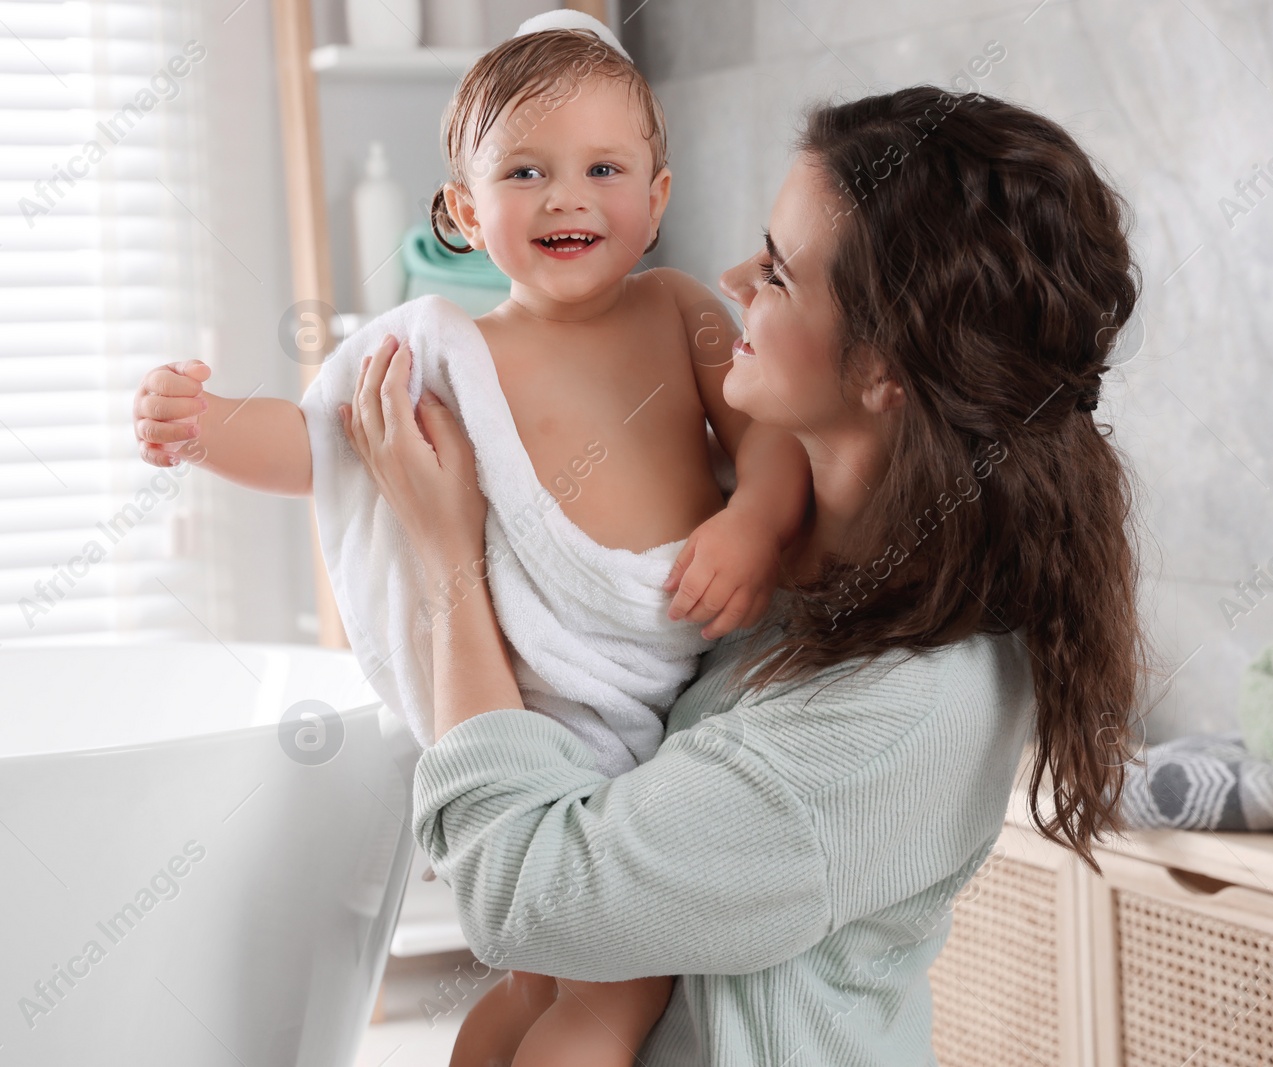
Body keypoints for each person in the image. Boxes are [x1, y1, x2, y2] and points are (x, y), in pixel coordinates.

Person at [339, 86, 1146, 1066]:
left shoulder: (904, 708)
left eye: (777, 272)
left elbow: (524, 896)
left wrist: (447, 562)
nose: (730, 280)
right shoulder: (766, 528)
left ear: (882, 368)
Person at [133, 15, 810, 1066]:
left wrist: (752, 520)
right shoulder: (444, 349)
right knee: (597, 994)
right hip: (528, 707)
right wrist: (206, 426)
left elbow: (766, 433)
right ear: (463, 210)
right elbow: (323, 442)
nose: (567, 196)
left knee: (559, 979)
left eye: (603, 167)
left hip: (646, 690)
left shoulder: (679, 311)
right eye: (526, 171)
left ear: (657, 197)